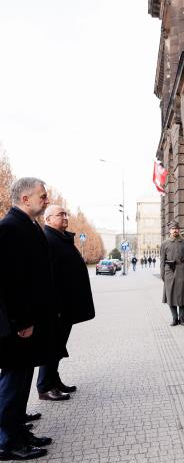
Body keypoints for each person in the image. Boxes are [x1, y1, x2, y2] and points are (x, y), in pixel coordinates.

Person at [0, 177, 58, 460]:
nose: (46, 200)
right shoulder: (9, 228)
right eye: (42, 196)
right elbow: (10, 280)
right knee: (12, 383)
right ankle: (7, 442)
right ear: (25, 199)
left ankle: (19, 432)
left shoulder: (27, 225)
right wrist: (22, 321)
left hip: (29, 321)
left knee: (22, 381)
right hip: (17, 325)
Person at [37, 205, 95, 401]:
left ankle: (54, 380)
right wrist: (56, 307)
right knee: (53, 346)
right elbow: (50, 277)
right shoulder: (49, 239)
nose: (65, 217)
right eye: (60, 214)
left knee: (59, 346)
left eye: (65, 214)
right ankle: (45, 387)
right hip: (58, 308)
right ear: (48, 219)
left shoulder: (60, 237)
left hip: (67, 305)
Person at [160, 221, 184, 326]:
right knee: (170, 296)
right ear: (169, 230)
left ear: (179, 230)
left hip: (183, 270)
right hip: (169, 272)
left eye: (176, 228)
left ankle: (182, 318)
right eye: (173, 229)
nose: (175, 230)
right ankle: (175, 318)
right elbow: (162, 260)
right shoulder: (165, 243)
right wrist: (162, 274)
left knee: (183, 295)